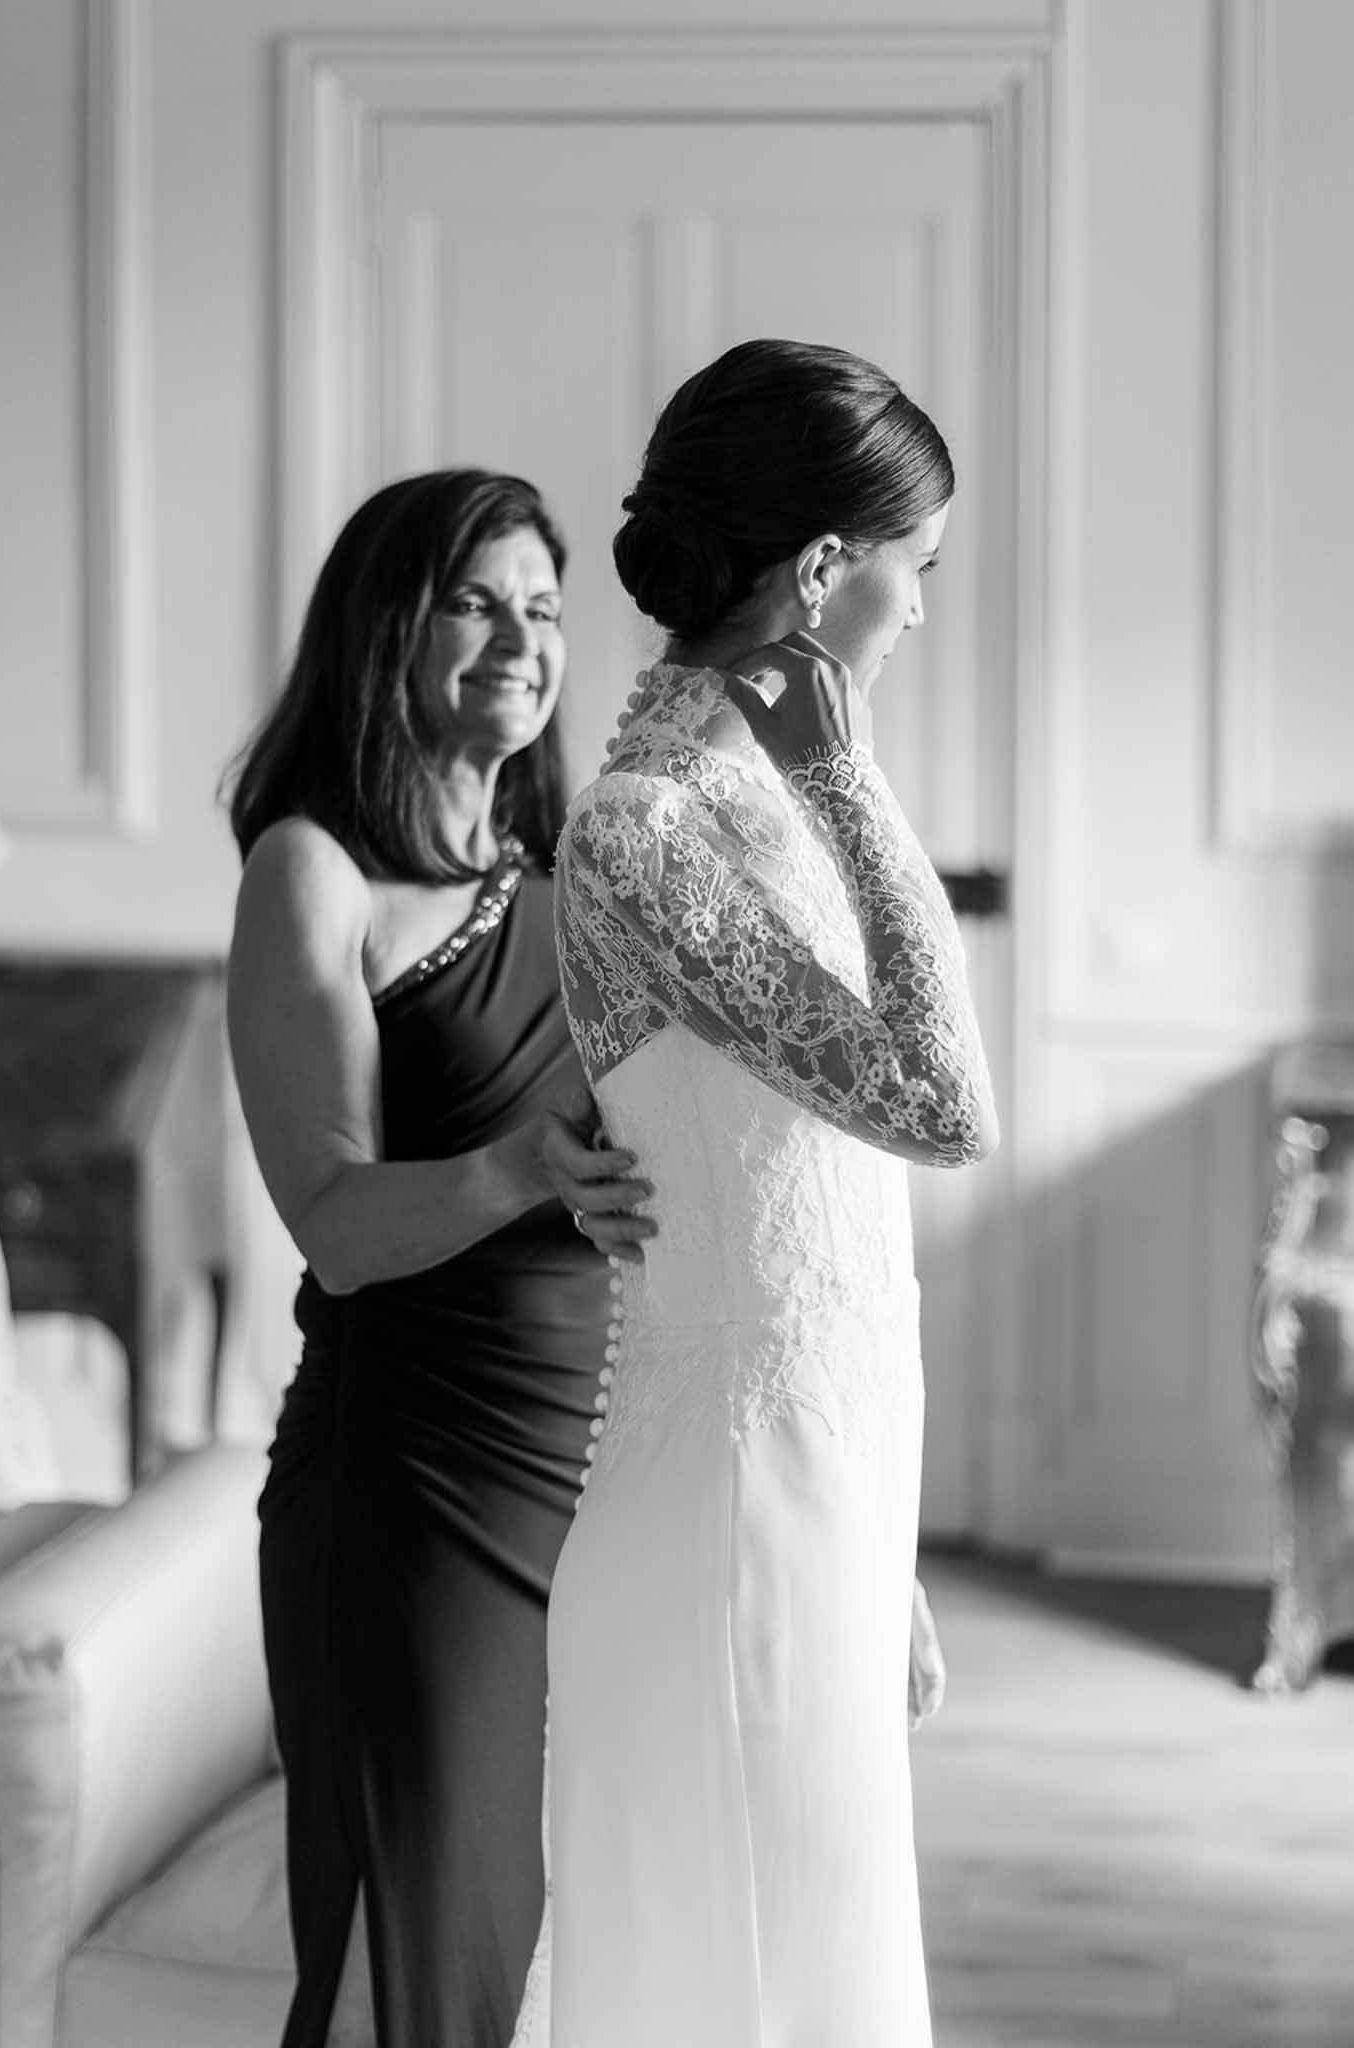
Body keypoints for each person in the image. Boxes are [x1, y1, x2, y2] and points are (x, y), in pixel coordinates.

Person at [516, 340, 998, 2046]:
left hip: (818, 1504)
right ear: (818, 573)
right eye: (911, 572)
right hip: (720, 1532)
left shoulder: (742, 804)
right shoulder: (648, 829)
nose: (921, 613)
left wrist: (888, 1559)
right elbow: (941, 1106)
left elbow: (824, 1220)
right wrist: (848, 777)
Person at [223, 469, 653, 2048]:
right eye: (475, 600)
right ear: (386, 624)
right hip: (408, 1488)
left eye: (542, 609)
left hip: (588, 1476)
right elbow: (334, 1226)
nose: (518, 642)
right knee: (411, 1955)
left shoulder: (563, 878)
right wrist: (516, 1166)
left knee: (546, 1940)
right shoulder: (311, 874)